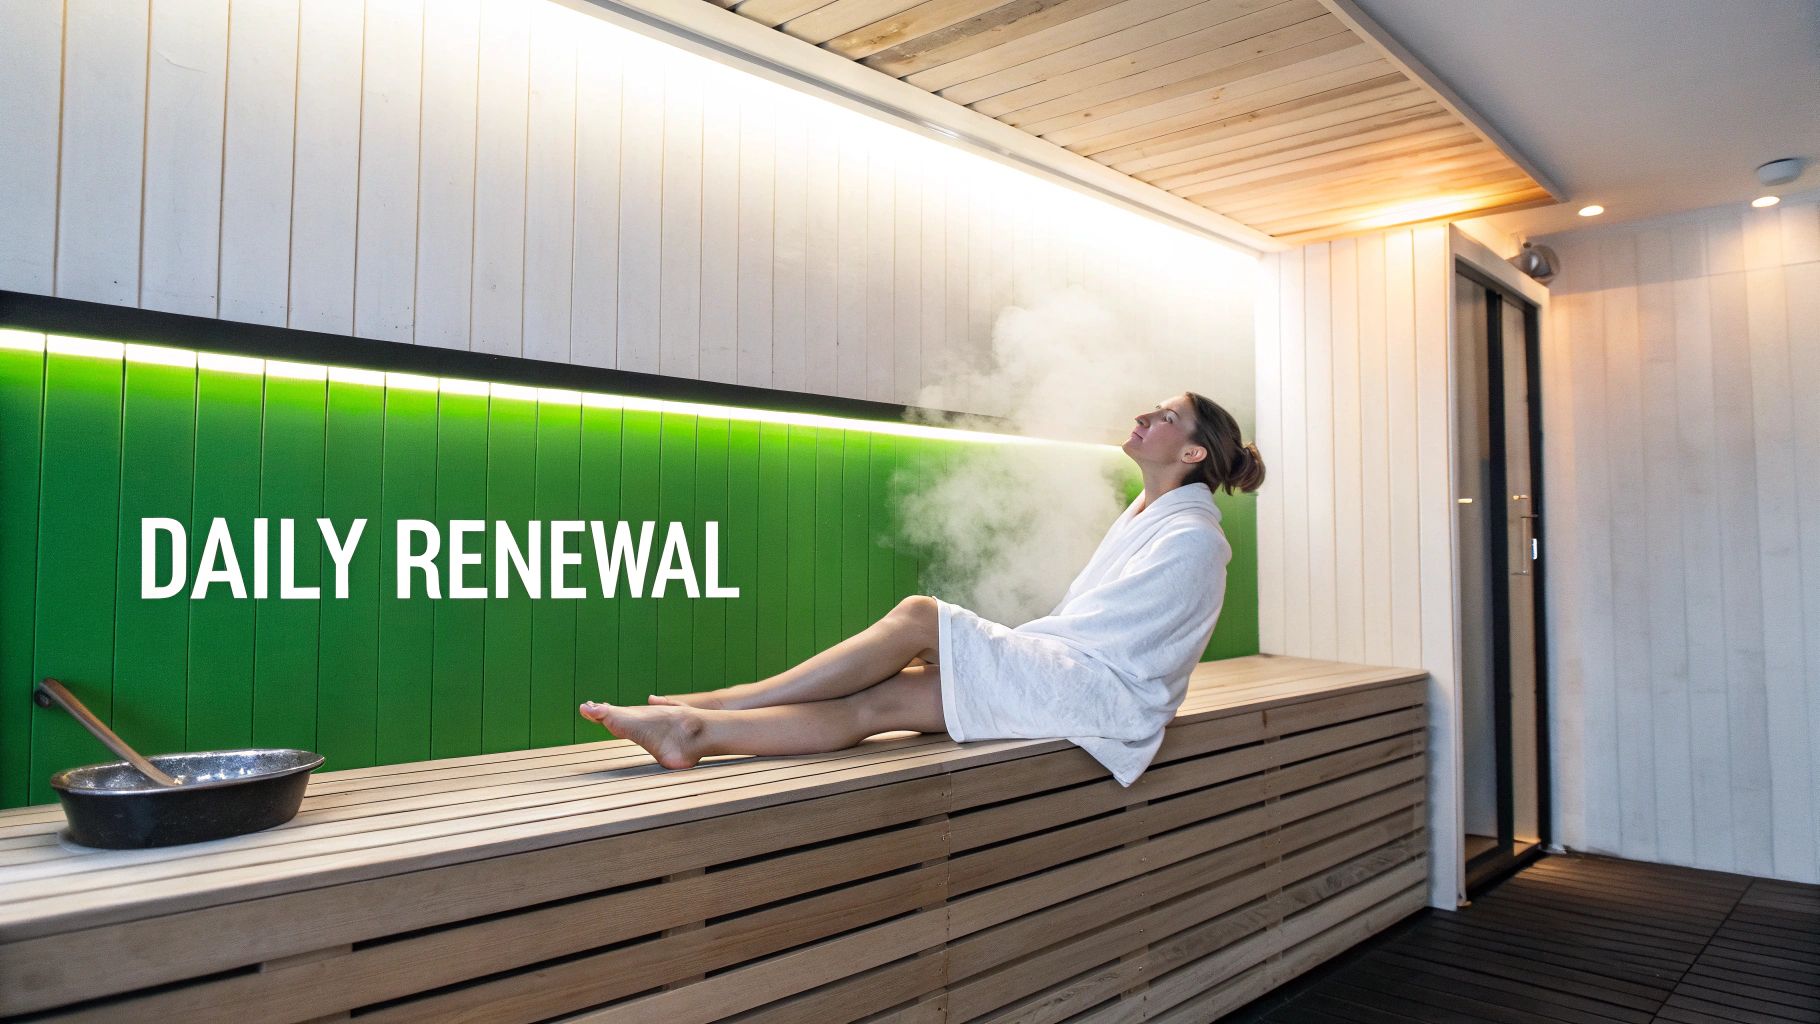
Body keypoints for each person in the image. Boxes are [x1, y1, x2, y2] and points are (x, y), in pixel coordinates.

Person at [579, 391, 1266, 786]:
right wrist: (1003, 654)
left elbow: (1130, 654)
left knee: (920, 616)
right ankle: (693, 730)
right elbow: (1096, 627)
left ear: (1193, 453)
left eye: (1165, 417)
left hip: (1104, 695)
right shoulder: (1147, 517)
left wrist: (1001, 652)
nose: (1145, 417)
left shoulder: (1194, 540)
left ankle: (725, 700)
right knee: (881, 701)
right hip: (1077, 672)